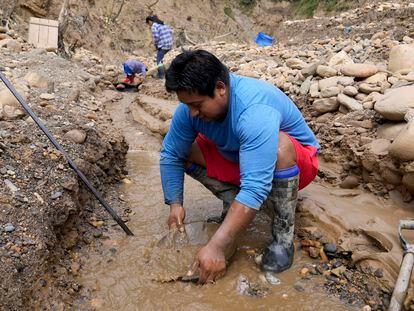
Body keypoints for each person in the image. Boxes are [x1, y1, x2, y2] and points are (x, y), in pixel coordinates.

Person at [160, 50, 320, 285]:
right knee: (182, 152)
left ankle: (282, 237)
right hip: (240, 156)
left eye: (197, 105)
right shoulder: (190, 110)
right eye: (187, 105)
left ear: (220, 88)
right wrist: (175, 204)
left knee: (279, 146)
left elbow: (255, 187)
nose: (192, 112)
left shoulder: (254, 110)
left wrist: (216, 247)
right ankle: (233, 201)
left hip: (293, 163)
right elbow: (171, 154)